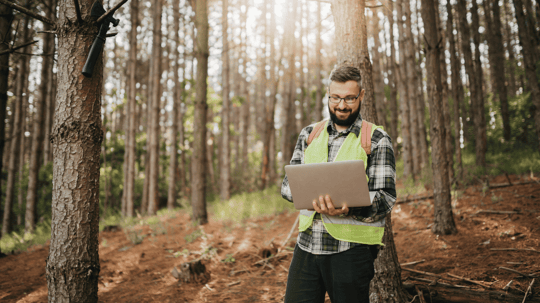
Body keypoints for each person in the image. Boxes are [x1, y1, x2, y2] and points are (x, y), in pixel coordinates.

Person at [281, 66, 397, 303]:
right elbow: (286, 186)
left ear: (361, 96)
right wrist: (305, 194)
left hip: (351, 252)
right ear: (328, 94)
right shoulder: (309, 134)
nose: (341, 105)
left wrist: (349, 207)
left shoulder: (375, 139)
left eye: (349, 98)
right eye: (335, 97)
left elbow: (386, 197)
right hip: (306, 247)